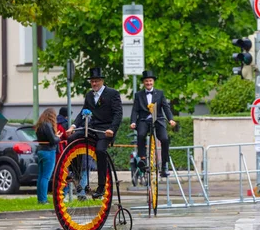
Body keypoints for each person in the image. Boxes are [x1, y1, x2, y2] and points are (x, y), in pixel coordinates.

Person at [66, 67, 123, 199]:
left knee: (100, 150)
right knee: (72, 139)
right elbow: (83, 112)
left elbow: (118, 114)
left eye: (96, 81)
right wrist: (73, 126)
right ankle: (75, 172)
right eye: (92, 81)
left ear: (102, 81)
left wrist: (112, 129)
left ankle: (101, 186)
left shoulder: (113, 94)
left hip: (105, 131)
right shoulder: (89, 95)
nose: (94, 84)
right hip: (91, 129)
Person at [130, 70, 176, 177]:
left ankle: (164, 165)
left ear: (153, 82)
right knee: (141, 135)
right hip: (144, 120)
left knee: (164, 139)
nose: (148, 83)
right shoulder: (138, 95)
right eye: (146, 81)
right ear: (143, 82)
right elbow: (135, 110)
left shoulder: (160, 93)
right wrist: (133, 122)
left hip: (158, 119)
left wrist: (170, 119)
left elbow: (165, 107)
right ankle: (142, 159)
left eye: (150, 81)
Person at [35, 108, 61, 204]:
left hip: (41, 151)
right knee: (46, 177)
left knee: (41, 176)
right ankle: (43, 200)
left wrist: (55, 136)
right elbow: (53, 140)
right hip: (49, 152)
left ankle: (40, 199)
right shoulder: (48, 125)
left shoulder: (40, 125)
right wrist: (58, 137)